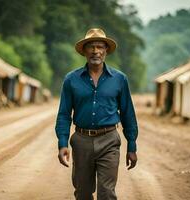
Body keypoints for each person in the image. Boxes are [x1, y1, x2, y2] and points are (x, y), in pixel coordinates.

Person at [55, 28, 138, 200]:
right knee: (83, 193)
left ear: (106, 50)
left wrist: (132, 145)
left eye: (100, 46)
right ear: (84, 51)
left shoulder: (119, 79)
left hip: (109, 141)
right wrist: (63, 143)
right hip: (81, 141)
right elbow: (64, 114)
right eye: (91, 46)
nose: (96, 51)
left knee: (107, 193)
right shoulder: (71, 79)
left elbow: (127, 113)